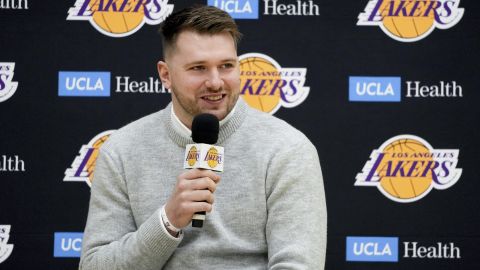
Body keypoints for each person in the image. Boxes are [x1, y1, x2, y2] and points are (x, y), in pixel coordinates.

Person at [79, 5, 327, 270]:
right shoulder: (121, 150)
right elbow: (95, 266)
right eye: (198, 68)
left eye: (226, 66)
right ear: (166, 75)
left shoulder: (288, 149)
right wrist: (167, 221)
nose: (216, 82)